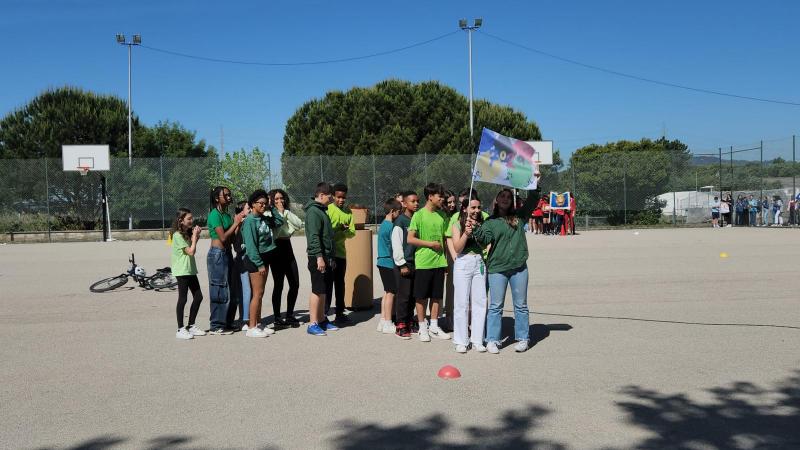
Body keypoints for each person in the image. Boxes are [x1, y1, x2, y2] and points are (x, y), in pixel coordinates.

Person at [472, 188, 537, 354]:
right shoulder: (490, 222)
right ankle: (492, 339)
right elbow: (484, 239)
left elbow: (532, 201)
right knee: (495, 306)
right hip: (497, 269)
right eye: (502, 196)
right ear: (496, 200)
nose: (506, 199)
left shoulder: (519, 217)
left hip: (519, 268)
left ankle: (523, 338)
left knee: (521, 305)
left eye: (509, 197)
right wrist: (475, 229)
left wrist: (535, 185)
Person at [407, 183, 451, 342]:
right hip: (424, 262)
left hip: (439, 262)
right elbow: (410, 238)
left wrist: (445, 260)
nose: (442, 198)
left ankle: (434, 325)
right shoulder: (418, 215)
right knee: (421, 296)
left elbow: (446, 240)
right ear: (430, 196)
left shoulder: (443, 216)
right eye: (439, 195)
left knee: (437, 296)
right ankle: (422, 326)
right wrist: (430, 244)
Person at [241, 189, 284, 338]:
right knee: (257, 293)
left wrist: (272, 208)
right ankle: (251, 327)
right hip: (255, 261)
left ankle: (258, 323)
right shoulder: (249, 222)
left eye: (265, 203)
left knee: (260, 293)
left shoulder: (263, 218)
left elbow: (280, 221)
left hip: (265, 259)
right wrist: (259, 264)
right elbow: (251, 247)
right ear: (253, 204)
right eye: (260, 203)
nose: (263, 206)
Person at [450, 193, 487, 353]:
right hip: (463, 262)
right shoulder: (457, 223)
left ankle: (478, 339)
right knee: (461, 303)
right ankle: (461, 340)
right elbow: (457, 248)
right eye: (473, 207)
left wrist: (477, 230)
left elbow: (487, 242)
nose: (476, 210)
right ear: (465, 208)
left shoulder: (483, 222)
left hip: (479, 262)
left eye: (478, 207)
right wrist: (466, 233)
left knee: (480, 302)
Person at [207, 186, 245, 335]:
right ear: (217, 198)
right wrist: (236, 223)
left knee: (232, 289)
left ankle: (228, 322)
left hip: (227, 253)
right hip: (217, 255)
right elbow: (222, 238)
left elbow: (232, 238)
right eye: (226, 195)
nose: (229, 197)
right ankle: (216, 325)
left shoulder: (228, 215)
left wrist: (238, 224)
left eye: (230, 195)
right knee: (219, 289)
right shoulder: (214, 215)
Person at [305, 183, 338, 336]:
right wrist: (319, 257)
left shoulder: (321, 211)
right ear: (322, 195)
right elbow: (313, 237)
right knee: (317, 290)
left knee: (323, 289)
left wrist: (329, 257)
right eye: (330, 197)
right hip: (317, 257)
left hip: (326, 256)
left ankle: (322, 319)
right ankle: (312, 323)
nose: (331, 200)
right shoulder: (313, 212)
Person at [269, 189, 304, 328]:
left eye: (281, 198)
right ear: (271, 200)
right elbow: (278, 228)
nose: (280, 201)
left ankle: (289, 315)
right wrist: (281, 214)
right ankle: (277, 317)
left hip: (287, 248)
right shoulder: (269, 213)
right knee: (279, 285)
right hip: (276, 250)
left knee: (295, 283)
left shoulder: (286, 212)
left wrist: (285, 212)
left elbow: (298, 224)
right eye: (276, 199)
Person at [170, 208, 205, 340]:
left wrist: (196, 235)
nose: (192, 221)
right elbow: (191, 251)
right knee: (183, 299)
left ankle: (191, 325)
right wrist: (195, 238)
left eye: (192, 218)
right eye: (189, 219)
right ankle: (180, 329)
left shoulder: (186, 233)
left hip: (190, 269)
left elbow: (191, 247)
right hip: (182, 270)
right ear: (181, 220)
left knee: (198, 297)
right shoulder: (177, 235)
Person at [326, 183, 356, 324]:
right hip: (329, 254)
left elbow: (352, 233)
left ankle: (339, 313)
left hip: (341, 254)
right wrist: (338, 228)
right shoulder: (328, 209)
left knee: (340, 284)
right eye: (338, 197)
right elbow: (326, 231)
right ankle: (324, 314)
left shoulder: (349, 212)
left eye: (343, 197)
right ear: (333, 197)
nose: (341, 200)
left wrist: (345, 230)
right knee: (327, 285)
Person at [391, 190, 419, 339]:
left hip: (416, 263)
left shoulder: (416, 219)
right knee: (404, 295)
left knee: (413, 295)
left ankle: (409, 321)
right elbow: (396, 244)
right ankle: (400, 324)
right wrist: (401, 264)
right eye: (412, 201)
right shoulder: (400, 221)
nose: (416, 204)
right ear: (405, 203)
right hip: (404, 264)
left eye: (417, 201)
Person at [376, 198, 402, 334]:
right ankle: (387, 322)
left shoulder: (383, 224)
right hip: (387, 262)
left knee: (387, 293)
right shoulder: (391, 227)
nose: (399, 214)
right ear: (392, 212)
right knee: (391, 293)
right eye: (398, 212)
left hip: (381, 261)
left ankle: (382, 320)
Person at [232, 201, 252, 330]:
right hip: (242, 260)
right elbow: (237, 246)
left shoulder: (247, 223)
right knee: (246, 290)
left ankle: (245, 317)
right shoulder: (241, 225)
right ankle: (245, 320)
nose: (250, 210)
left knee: (244, 291)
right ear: (241, 212)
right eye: (248, 208)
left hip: (246, 259)